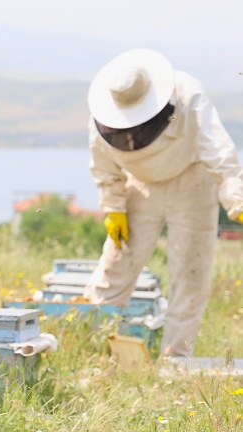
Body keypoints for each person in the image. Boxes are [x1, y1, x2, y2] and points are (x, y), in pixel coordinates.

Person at [84, 48, 243, 357]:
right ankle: (91, 346)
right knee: (116, 265)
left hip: (192, 183)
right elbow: (104, 167)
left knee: (191, 274)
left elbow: (219, 152)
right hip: (141, 186)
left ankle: (176, 359)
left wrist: (237, 199)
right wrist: (113, 207)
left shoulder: (188, 96)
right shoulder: (102, 117)